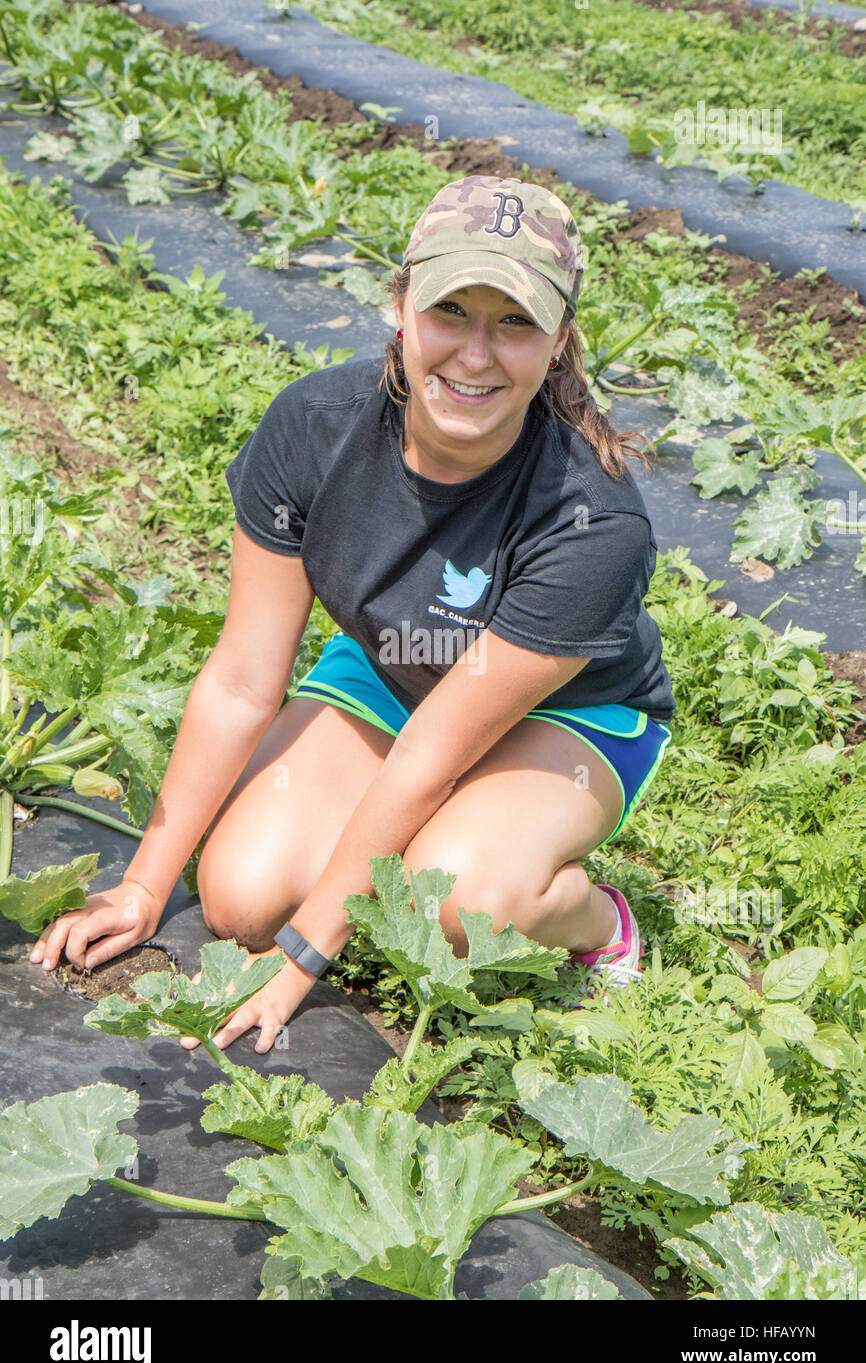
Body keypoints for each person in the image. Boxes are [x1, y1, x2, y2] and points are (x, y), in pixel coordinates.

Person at [30, 175, 676, 1053]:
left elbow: (435, 753)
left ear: (560, 340)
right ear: (400, 306)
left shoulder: (591, 522)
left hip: (564, 716)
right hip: (391, 669)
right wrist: (145, 884)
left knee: (457, 902)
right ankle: (398, 848)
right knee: (239, 896)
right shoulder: (313, 428)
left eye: (516, 321)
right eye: (452, 310)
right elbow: (241, 677)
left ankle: (594, 919)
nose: (477, 355)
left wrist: (301, 962)